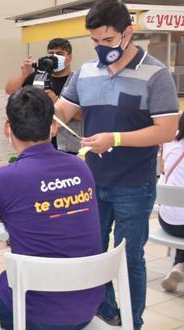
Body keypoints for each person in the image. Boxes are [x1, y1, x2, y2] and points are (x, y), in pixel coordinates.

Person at [55, 0, 180, 328]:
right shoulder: (85, 72)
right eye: (94, 41)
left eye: (108, 40)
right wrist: (41, 120)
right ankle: (106, 309)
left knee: (129, 258)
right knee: (94, 254)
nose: (100, 48)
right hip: (92, 181)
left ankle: (131, 319)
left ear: (128, 33)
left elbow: (166, 129)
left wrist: (116, 138)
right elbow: (62, 111)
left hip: (134, 185)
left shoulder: (156, 73)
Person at [0, 86, 104, 330]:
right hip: (87, 303)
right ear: (54, 126)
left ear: (8, 127)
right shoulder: (81, 168)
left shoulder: (4, 178)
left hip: (32, 309)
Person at [5, 38, 82, 154]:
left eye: (60, 54)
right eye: (51, 54)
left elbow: (82, 115)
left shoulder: (77, 80)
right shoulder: (39, 77)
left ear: (70, 57)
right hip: (39, 146)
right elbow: (10, 90)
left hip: (69, 147)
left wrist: (57, 102)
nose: (55, 57)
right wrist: (24, 74)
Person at [159, 113, 184, 293]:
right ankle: (180, 266)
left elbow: (162, 169)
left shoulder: (170, 142)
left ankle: (179, 266)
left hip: (165, 220)